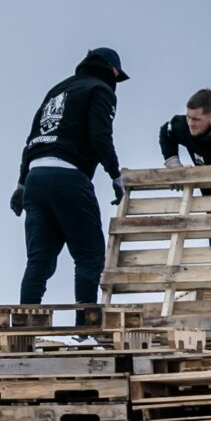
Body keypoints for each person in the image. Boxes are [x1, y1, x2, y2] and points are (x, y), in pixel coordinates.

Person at [13, 46, 130, 316]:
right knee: (89, 256)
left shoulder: (57, 90)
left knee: (38, 261)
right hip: (68, 177)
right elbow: (100, 136)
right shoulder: (100, 90)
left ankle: (24, 328)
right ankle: (86, 330)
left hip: (36, 177)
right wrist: (115, 175)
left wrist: (21, 185)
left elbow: (32, 139)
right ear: (111, 70)